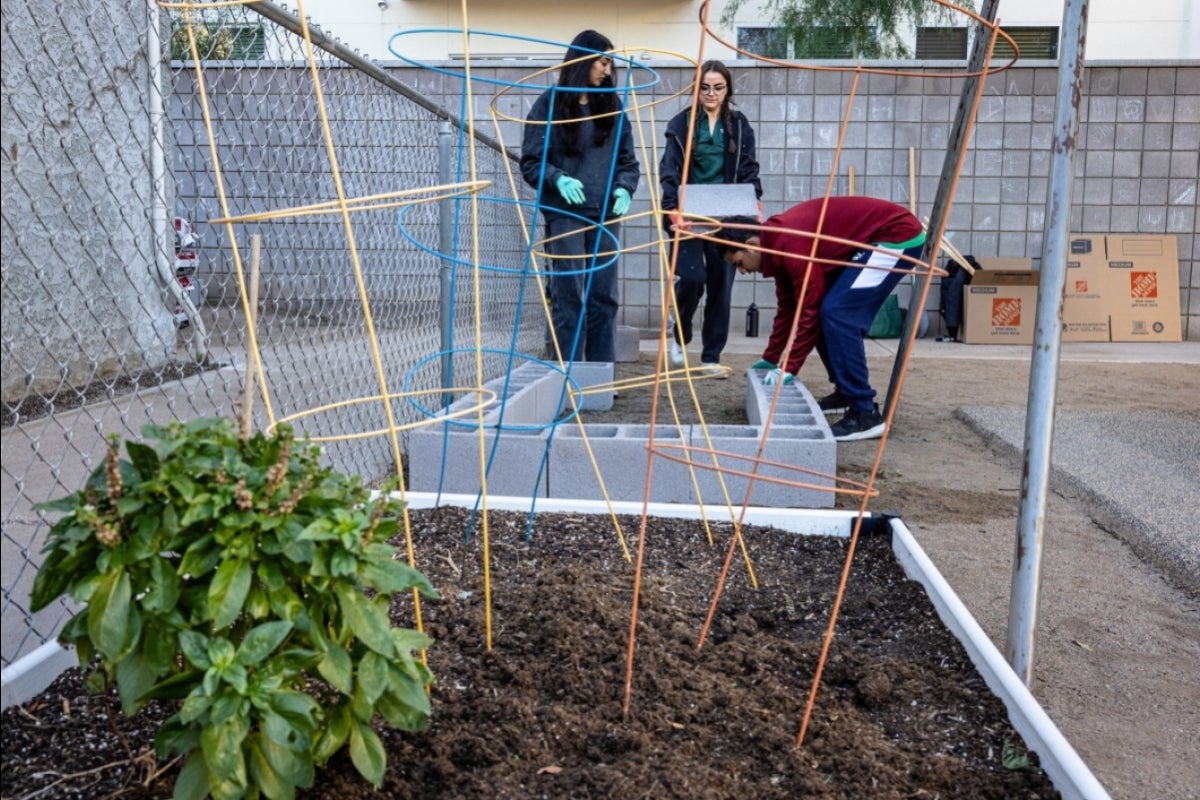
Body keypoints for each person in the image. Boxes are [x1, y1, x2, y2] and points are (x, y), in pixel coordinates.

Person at [713, 197, 926, 441]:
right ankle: (846, 393)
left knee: (838, 314)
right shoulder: (776, 247)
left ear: (751, 245)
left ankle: (864, 413)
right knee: (828, 312)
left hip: (896, 235)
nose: (742, 271)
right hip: (872, 238)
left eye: (739, 263)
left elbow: (810, 309)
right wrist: (771, 359)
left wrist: (789, 367)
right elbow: (788, 308)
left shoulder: (790, 244)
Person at [520, 29, 640, 363]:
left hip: (605, 213)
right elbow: (531, 161)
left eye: (610, 64)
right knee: (569, 295)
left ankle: (601, 375)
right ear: (582, 60)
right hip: (565, 214)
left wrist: (624, 187)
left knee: (604, 296)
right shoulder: (550, 104)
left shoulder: (612, 107)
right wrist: (557, 179)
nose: (607, 70)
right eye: (603, 62)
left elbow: (628, 162)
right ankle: (567, 374)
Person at [659, 60, 761, 376]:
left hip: (727, 213)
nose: (711, 93)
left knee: (721, 284)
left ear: (727, 89)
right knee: (691, 278)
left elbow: (748, 167)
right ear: (696, 89)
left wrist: (753, 200)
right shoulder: (681, 124)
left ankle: (710, 357)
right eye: (704, 87)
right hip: (690, 212)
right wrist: (671, 206)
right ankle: (680, 334)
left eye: (718, 87)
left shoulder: (740, 125)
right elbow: (669, 170)